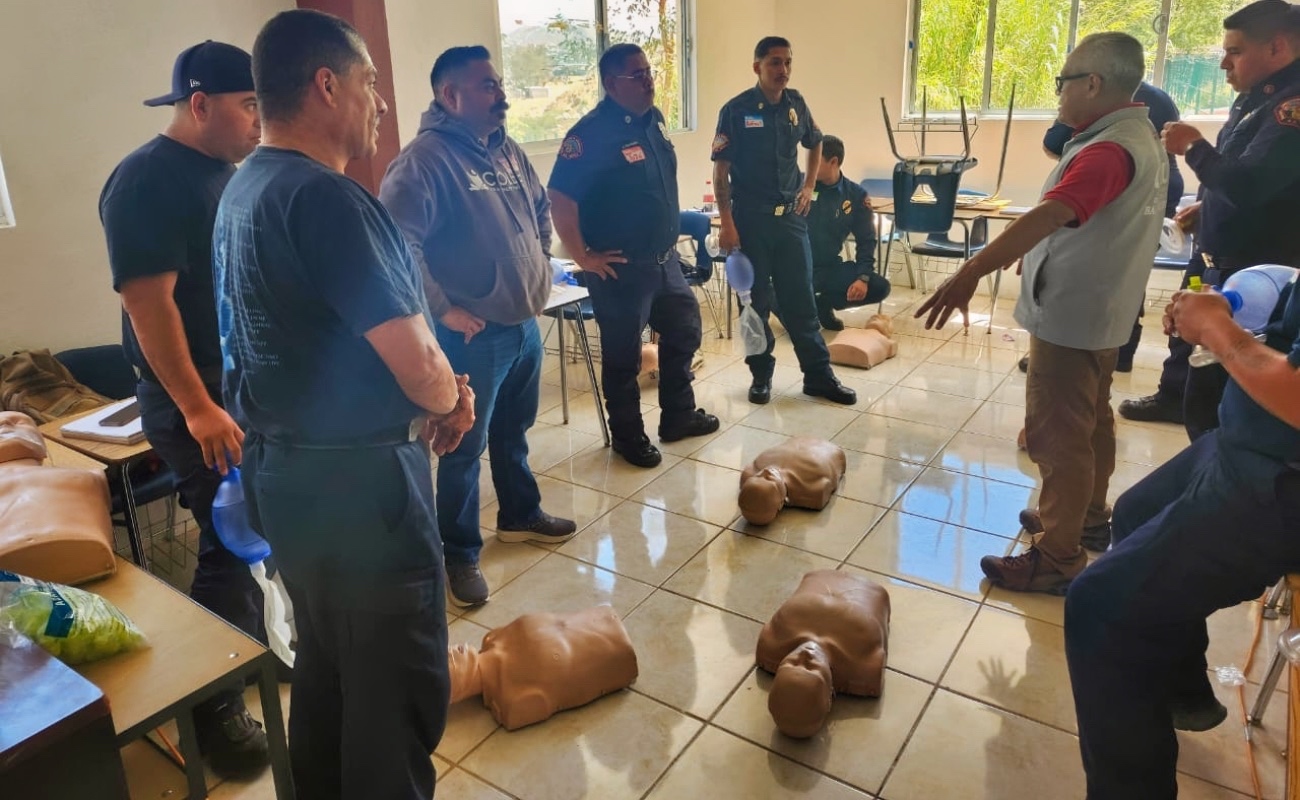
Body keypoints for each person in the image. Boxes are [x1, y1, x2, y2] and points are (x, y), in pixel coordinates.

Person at [214, 11, 475, 798]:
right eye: (370, 82)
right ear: (327, 85)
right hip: (362, 491)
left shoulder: (243, 189)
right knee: (393, 693)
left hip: (283, 477)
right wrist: (452, 400)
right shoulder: (330, 199)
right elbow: (416, 359)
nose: (381, 102)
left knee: (328, 672)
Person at [915, 32, 1168, 594]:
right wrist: (1033, 251)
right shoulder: (1136, 137)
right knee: (1092, 419)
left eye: (1063, 82)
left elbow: (1054, 213)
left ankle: (1057, 556)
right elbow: (1081, 222)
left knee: (1059, 437)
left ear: (1093, 84)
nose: (1059, 94)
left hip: (1073, 317)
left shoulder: (1107, 149)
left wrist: (971, 270)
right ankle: (1085, 518)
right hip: (1103, 310)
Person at [1064, 249, 1300, 800]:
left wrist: (1218, 330)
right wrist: (1231, 316)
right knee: (1135, 512)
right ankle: (1182, 691)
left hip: (1278, 481)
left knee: (1099, 605)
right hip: (1249, 443)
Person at [98, 40, 269, 775]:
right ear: (200, 105)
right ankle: (213, 708)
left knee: (255, 533)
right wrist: (198, 408)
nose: (260, 120)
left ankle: (251, 651)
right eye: (249, 105)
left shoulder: (225, 173)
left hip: (236, 394)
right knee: (228, 544)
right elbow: (149, 304)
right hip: (194, 405)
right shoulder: (146, 180)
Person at [379, 46, 576, 606]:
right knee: (463, 448)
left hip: (523, 325)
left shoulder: (508, 149)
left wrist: (538, 266)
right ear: (450, 95)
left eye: (498, 83)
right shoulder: (424, 162)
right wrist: (443, 308)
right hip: (471, 336)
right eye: (487, 85)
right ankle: (459, 553)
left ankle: (519, 515)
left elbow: (540, 208)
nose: (501, 94)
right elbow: (399, 246)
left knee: (515, 430)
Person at [1119, 0, 1300, 437]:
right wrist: (1208, 207)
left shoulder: (1291, 108)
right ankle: (1174, 401)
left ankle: (1213, 453)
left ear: (1276, 48)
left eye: (1235, 51)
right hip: (1216, 251)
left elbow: (1250, 185)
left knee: (1220, 386)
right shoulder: (1256, 99)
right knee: (1187, 342)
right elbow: (1247, 177)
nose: (1223, 64)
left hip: (1251, 269)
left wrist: (1193, 146)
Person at [547, 43, 720, 468]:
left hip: (665, 261)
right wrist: (583, 257)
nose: (648, 81)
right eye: (636, 75)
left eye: (649, 72)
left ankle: (678, 416)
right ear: (611, 84)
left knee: (684, 333)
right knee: (624, 357)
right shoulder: (589, 135)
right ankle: (627, 437)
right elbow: (560, 198)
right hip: (621, 270)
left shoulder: (654, 120)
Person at [712, 36, 857, 406]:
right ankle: (761, 377)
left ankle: (818, 377)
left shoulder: (796, 103)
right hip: (750, 222)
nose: (784, 70)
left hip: (790, 221)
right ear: (757, 66)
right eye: (775, 62)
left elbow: (816, 141)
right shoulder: (736, 110)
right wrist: (726, 222)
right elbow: (721, 171)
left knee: (802, 301)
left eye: (788, 62)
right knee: (754, 304)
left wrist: (808, 186)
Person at [1026, 81, 1185, 373]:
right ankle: (1117, 351)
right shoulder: (1158, 97)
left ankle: (1072, 351)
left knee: (1087, 270)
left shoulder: (1096, 102)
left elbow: (1053, 145)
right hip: (1160, 188)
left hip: (1120, 191)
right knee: (1130, 271)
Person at [806, 135, 890, 330]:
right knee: (798, 325)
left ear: (833, 162)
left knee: (879, 287)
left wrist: (862, 278)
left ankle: (823, 304)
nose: (810, 167)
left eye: (815, 161)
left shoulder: (855, 196)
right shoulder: (801, 188)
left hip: (827, 268)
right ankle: (781, 301)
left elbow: (866, 240)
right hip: (797, 268)